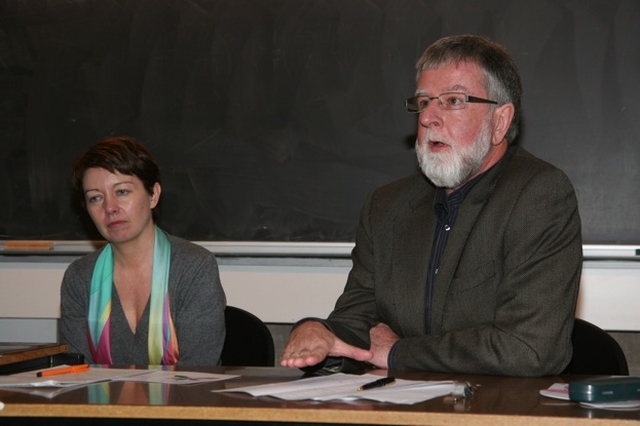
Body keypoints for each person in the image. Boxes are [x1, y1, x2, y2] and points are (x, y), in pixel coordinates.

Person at [280, 35, 583, 376]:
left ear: (499, 121)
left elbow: (530, 348)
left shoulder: (538, 195)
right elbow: (357, 321)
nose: (428, 119)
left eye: (453, 100)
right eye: (424, 102)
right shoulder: (386, 206)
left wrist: (400, 354)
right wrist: (320, 332)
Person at [60, 136, 226, 366]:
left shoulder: (194, 268)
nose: (109, 208)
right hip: (100, 403)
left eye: (122, 192)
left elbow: (198, 373)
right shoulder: (79, 277)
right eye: (95, 198)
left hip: (182, 401)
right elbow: (78, 374)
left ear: (153, 195)